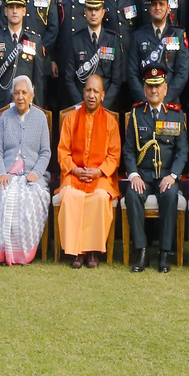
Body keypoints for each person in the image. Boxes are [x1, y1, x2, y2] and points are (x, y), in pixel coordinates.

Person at [123, 65, 188, 273]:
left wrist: (173, 175)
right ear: (144, 89)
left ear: (165, 89)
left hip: (166, 175)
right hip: (142, 175)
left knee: (170, 196)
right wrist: (133, 174)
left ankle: (164, 253)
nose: (154, 91)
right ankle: (141, 251)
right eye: (150, 87)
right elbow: (129, 150)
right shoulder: (135, 114)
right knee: (132, 195)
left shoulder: (176, 115)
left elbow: (181, 151)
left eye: (158, 86)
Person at [57, 74, 121, 267]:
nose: (91, 95)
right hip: (75, 174)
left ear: (103, 95)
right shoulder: (70, 119)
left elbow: (114, 156)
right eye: (88, 90)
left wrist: (99, 172)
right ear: (83, 93)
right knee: (69, 195)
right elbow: (63, 152)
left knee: (101, 197)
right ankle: (76, 252)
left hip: (99, 176)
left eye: (95, 91)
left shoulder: (110, 122)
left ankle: (93, 252)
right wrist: (75, 171)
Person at [0, 76, 52, 265]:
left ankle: (24, 253)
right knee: (3, 195)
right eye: (16, 93)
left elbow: (45, 152)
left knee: (30, 199)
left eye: (24, 93)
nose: (20, 97)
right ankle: (4, 253)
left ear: (32, 95)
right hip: (7, 174)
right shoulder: (5, 118)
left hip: (32, 175)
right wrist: (1, 173)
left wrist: (36, 173)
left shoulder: (40, 118)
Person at [0, 0, 45, 111]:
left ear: (24, 11)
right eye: (11, 7)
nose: (15, 11)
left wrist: (39, 109)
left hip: (27, 105)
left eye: (18, 7)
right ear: (5, 11)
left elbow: (38, 80)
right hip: (1, 105)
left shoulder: (34, 40)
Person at [62, 0, 124, 111]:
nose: (93, 13)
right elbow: (69, 79)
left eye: (97, 9)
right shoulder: (75, 40)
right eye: (90, 9)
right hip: (81, 107)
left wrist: (102, 106)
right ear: (85, 12)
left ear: (103, 12)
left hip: (106, 108)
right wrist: (82, 105)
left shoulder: (113, 40)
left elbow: (116, 81)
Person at [127, 0, 189, 106]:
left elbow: (182, 73)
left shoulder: (178, 35)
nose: (158, 8)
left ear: (168, 8)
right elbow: (132, 73)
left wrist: (163, 100)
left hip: (170, 102)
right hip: (144, 104)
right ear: (149, 9)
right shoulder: (138, 36)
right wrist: (147, 100)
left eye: (162, 4)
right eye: (154, 4)